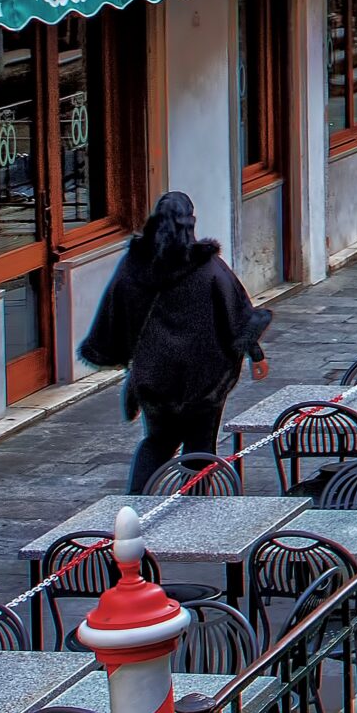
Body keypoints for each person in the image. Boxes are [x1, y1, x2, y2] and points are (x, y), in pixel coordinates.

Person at [79, 192, 272, 494]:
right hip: (204, 381)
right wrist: (256, 354)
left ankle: (136, 508)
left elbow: (115, 313)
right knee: (199, 447)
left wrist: (123, 358)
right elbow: (238, 315)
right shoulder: (209, 268)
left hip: (154, 379)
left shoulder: (134, 266)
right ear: (190, 223)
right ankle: (192, 517)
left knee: (157, 443)